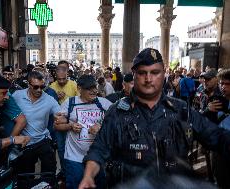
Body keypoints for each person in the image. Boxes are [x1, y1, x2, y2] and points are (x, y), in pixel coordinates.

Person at [78, 48, 230, 189]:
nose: (148, 79)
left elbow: (216, 136)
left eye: (155, 72)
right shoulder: (117, 112)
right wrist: (88, 175)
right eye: (142, 72)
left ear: (163, 74)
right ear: (134, 74)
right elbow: (99, 148)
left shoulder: (181, 109)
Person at [54, 74, 112, 189]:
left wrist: (101, 126)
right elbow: (57, 126)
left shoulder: (103, 103)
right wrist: (70, 126)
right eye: (89, 88)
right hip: (74, 157)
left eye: (94, 87)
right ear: (79, 89)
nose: (94, 91)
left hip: (97, 157)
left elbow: (116, 122)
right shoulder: (70, 103)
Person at [12, 71, 60, 175]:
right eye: (36, 87)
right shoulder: (17, 96)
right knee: (26, 175)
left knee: (49, 172)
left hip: (43, 139)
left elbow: (60, 114)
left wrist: (60, 118)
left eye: (42, 87)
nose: (39, 90)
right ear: (29, 85)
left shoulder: (49, 99)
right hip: (25, 142)